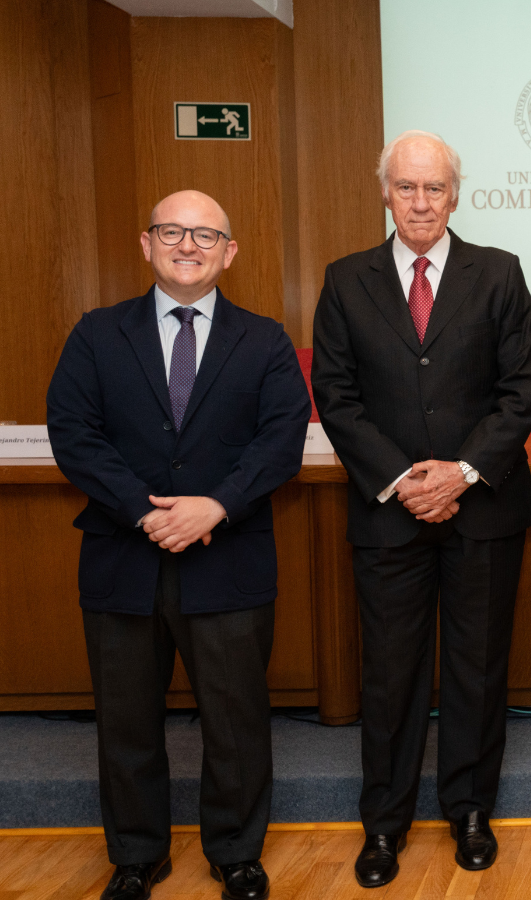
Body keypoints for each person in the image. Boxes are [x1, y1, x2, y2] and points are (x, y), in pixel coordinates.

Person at [46, 190, 310, 900]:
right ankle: (136, 856)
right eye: (172, 231)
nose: (187, 244)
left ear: (230, 252)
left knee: (236, 719)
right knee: (126, 719)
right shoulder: (98, 334)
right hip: (123, 558)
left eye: (204, 235)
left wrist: (215, 506)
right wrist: (145, 512)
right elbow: (73, 433)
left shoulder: (265, 341)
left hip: (229, 557)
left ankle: (236, 853)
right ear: (146, 243)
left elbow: (281, 442)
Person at [311, 130, 531, 888]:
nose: (420, 201)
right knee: (390, 674)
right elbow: (337, 399)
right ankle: (385, 823)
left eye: (434, 187)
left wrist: (463, 472)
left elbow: (521, 392)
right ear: (385, 192)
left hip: (483, 511)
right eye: (406, 187)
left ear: (455, 193)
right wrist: (405, 478)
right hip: (388, 512)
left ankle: (470, 811)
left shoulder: (499, 274)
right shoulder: (346, 280)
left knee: (476, 670)